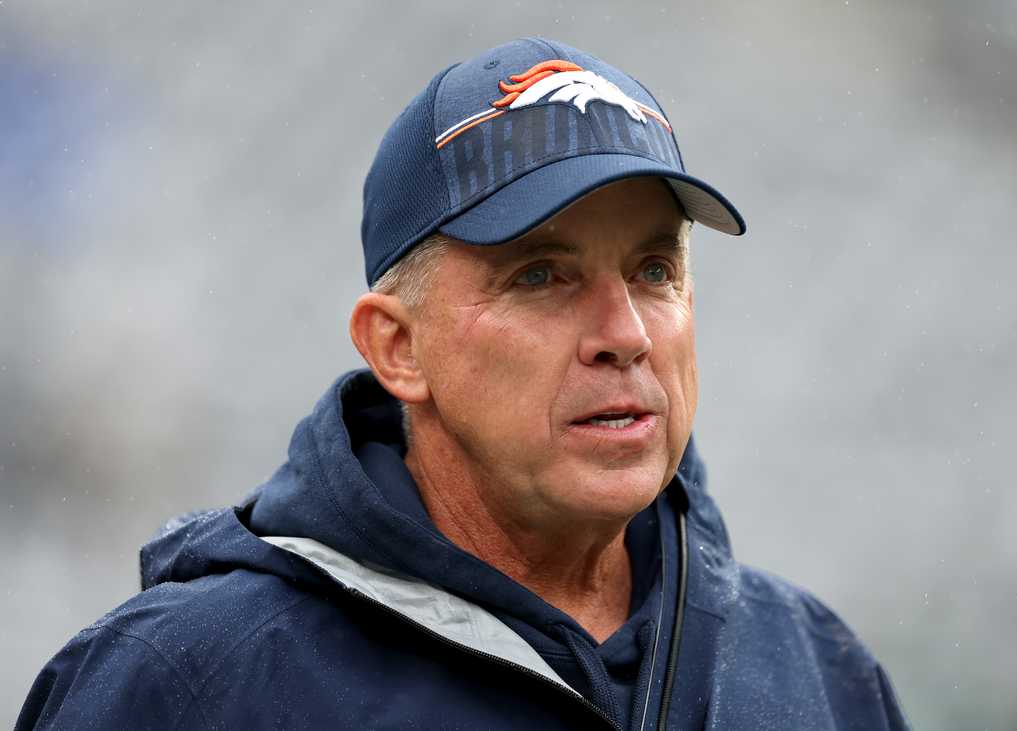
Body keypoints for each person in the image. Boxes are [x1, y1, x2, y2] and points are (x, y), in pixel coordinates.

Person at [18, 38, 910, 730]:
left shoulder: (815, 668)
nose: (626, 335)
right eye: (540, 276)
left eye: (653, 271)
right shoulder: (188, 681)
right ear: (397, 348)